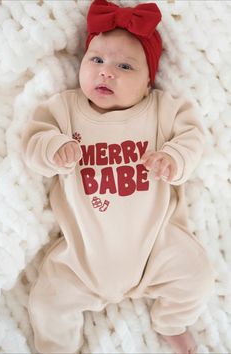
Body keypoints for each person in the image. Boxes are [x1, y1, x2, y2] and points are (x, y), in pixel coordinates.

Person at [22, 0, 214, 353]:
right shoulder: (64, 109)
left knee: (198, 272)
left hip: (157, 248)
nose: (106, 71)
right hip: (83, 256)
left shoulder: (160, 109)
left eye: (125, 66)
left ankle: (171, 322)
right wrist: (53, 148)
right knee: (48, 301)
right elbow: (32, 142)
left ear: (147, 83)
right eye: (96, 60)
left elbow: (193, 137)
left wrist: (173, 158)